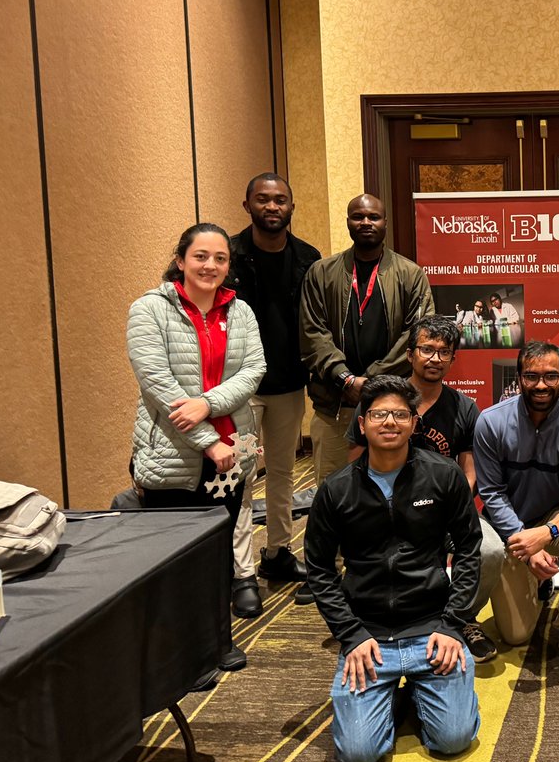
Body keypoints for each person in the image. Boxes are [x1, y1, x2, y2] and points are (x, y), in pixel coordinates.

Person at [306, 376, 481, 762]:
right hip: (369, 636)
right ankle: (397, 695)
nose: (390, 422)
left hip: (432, 627)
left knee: (453, 739)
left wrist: (453, 625)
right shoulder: (335, 490)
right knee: (357, 755)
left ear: (414, 424)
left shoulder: (444, 476)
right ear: (363, 423)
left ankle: (417, 692)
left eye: (400, 414)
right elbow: (318, 567)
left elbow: (470, 549)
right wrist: (350, 634)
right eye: (379, 414)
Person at [127, 223, 266, 681]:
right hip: (174, 458)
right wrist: (208, 440)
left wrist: (208, 404)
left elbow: (253, 371)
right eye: (201, 256)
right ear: (182, 259)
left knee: (218, 552)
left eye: (220, 258)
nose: (211, 266)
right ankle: (180, 657)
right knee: (176, 560)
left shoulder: (240, 310)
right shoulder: (149, 310)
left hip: (233, 453)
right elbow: (156, 384)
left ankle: (217, 643)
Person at [345, 315, 506, 663]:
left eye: (443, 352)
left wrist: (445, 511)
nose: (434, 358)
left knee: (490, 551)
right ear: (410, 353)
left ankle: (460, 618)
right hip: (385, 508)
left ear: (452, 359)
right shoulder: (379, 400)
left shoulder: (464, 407)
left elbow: (469, 470)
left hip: (444, 511)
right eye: (427, 349)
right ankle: (390, 619)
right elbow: (356, 462)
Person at [473, 341, 559, 675]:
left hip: (553, 520)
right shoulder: (490, 422)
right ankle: (537, 580)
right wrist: (525, 543)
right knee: (515, 636)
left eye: (550, 376)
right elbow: (492, 492)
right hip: (507, 525)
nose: (541, 385)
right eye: (531, 376)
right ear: (518, 378)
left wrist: (546, 534)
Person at [229, 173, 321, 616]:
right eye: (263, 200)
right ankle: (241, 570)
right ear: (246, 205)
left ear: (291, 207)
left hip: (288, 385)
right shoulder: (228, 256)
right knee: (242, 477)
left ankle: (278, 552)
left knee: (283, 471)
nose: (272, 206)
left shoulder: (308, 258)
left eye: (280, 200)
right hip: (241, 391)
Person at [300, 194, 434, 486]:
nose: (365, 223)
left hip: (392, 404)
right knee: (333, 490)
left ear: (385, 223)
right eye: (358, 217)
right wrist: (345, 379)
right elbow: (313, 334)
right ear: (348, 222)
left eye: (373, 217)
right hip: (335, 403)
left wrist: (370, 381)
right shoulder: (321, 273)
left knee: (394, 488)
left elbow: (417, 335)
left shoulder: (410, 275)